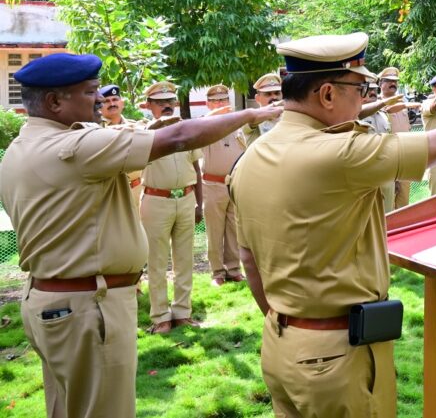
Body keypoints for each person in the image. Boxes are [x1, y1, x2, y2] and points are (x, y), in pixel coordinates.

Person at [230, 32, 436, 417]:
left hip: (282, 343)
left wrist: (293, 321)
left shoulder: (252, 157)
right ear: (328, 94)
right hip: (337, 355)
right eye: (360, 87)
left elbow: (248, 259)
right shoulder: (338, 152)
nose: (365, 98)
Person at [0, 53, 279, 418]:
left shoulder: (25, 145)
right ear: (54, 102)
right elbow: (177, 137)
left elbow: (138, 132)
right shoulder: (74, 149)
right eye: (89, 91)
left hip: (55, 301)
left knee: (68, 408)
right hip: (89, 306)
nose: (100, 99)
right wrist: (251, 115)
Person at [139, 81, 205, 334]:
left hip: (186, 199)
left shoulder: (184, 132)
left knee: (184, 260)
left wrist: (199, 203)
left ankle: (182, 312)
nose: (167, 105)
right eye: (160, 102)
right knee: (156, 261)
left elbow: (197, 170)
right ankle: (160, 316)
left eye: (170, 101)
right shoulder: (144, 134)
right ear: (149, 106)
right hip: (156, 200)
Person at [200, 84, 247, 286]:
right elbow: (201, 129)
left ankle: (234, 268)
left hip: (233, 184)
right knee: (214, 230)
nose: (222, 104)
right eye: (216, 101)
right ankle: (217, 272)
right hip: (212, 184)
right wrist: (216, 114)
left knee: (233, 229)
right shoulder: (205, 125)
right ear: (207, 104)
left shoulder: (235, 125)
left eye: (224, 100)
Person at [378, 67, 418, 209]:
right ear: (380, 84)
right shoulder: (377, 105)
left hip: (405, 158)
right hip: (389, 160)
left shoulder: (402, 104)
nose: (392, 84)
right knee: (387, 204)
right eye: (388, 81)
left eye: (395, 81)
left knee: (404, 202)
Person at [245, 72, 283, 144]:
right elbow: (246, 126)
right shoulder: (253, 118)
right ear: (257, 98)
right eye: (268, 94)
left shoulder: (288, 117)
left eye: (277, 93)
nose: (274, 97)